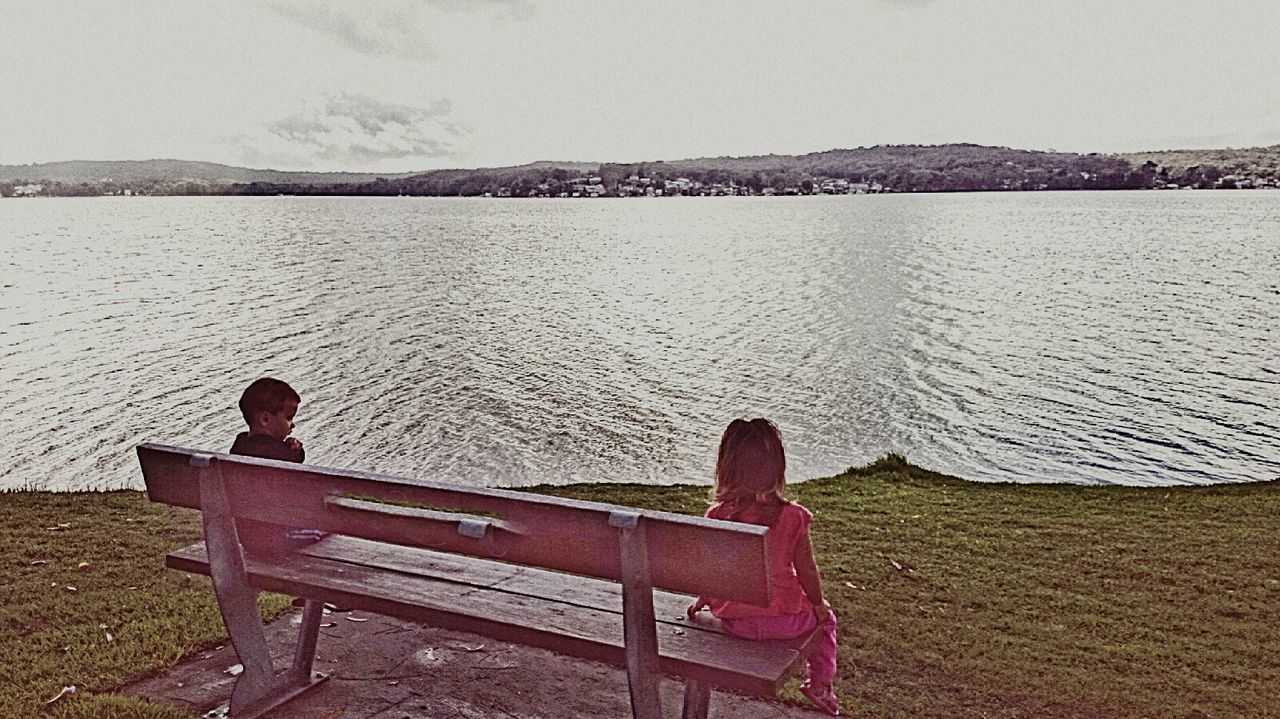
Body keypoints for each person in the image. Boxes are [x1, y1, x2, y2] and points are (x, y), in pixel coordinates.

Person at [686, 417, 840, 716]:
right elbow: (807, 571)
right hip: (782, 620)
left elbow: (713, 569)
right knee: (827, 619)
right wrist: (819, 605)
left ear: (727, 467)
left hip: (736, 621)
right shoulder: (794, 517)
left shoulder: (718, 515)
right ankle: (820, 683)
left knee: (807, 612)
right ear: (777, 469)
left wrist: (705, 596)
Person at [229, 377, 325, 556]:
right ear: (265, 419)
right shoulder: (278, 455)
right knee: (326, 527)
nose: (293, 424)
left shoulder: (239, 445)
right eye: (289, 418)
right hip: (277, 539)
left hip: (249, 538)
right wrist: (297, 451)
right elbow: (295, 465)